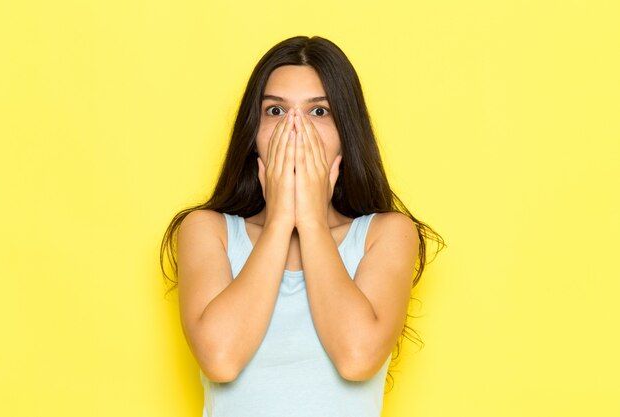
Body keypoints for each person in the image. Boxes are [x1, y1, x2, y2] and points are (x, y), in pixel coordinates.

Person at [160, 35, 445, 417]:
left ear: (347, 131)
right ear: (253, 135)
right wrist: (280, 218)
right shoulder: (207, 231)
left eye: (319, 112)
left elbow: (357, 358)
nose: (295, 130)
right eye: (275, 112)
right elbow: (221, 359)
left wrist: (310, 218)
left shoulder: (386, 234)